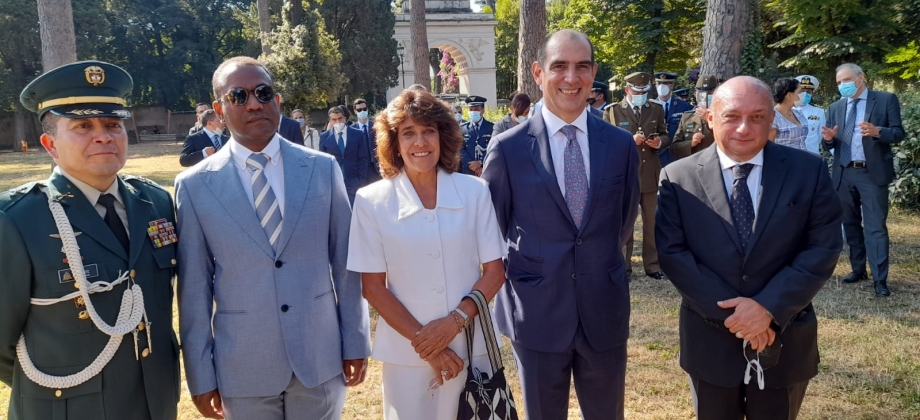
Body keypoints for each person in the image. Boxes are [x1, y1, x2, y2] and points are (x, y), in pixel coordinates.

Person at [175, 56, 371, 420]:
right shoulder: (194, 186)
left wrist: (355, 341)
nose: (254, 103)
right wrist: (200, 375)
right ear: (219, 108)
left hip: (319, 357)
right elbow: (194, 289)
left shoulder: (322, 169)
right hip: (243, 367)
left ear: (276, 101)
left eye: (263, 93)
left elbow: (346, 264)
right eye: (239, 96)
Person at [1, 60, 180, 420]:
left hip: (154, 402)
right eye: (83, 126)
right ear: (50, 144)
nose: (103, 136)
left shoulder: (156, 202)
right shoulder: (17, 219)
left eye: (113, 124)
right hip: (69, 406)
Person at [656, 76, 843, 420]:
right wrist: (740, 317)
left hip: (783, 339)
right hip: (710, 342)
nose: (744, 128)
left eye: (757, 117)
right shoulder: (677, 178)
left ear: (772, 119)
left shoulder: (808, 171)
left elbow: (823, 246)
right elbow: (673, 254)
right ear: (710, 118)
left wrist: (767, 309)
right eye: (732, 116)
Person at [482, 29, 640, 420]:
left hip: (603, 309)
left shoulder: (620, 146)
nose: (572, 78)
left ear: (593, 73)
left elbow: (623, 220)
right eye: (560, 67)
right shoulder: (508, 148)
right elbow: (492, 231)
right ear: (538, 72)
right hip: (536, 313)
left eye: (581, 67)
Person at [347, 88, 507, 419]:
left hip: (470, 348)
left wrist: (454, 322)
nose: (420, 142)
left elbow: (495, 271)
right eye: (409, 133)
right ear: (394, 142)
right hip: (407, 354)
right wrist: (427, 345)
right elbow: (373, 286)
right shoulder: (371, 200)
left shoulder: (474, 192)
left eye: (428, 131)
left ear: (443, 136)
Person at [821, 63, 905, 296]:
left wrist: (879, 132)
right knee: (850, 225)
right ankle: (858, 270)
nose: (842, 86)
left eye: (846, 80)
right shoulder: (835, 107)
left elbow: (899, 132)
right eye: (839, 82)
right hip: (844, 173)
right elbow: (830, 143)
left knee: (875, 227)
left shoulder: (886, 99)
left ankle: (880, 279)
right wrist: (828, 140)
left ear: (861, 78)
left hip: (872, 173)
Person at [604, 71, 669, 280]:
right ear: (626, 90)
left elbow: (665, 133)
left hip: (650, 174)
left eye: (644, 91)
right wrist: (628, 140)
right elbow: (604, 142)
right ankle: (624, 266)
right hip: (625, 177)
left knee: (652, 223)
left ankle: (652, 266)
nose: (640, 94)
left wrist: (659, 143)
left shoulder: (655, 109)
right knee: (626, 224)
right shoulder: (613, 112)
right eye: (636, 91)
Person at [320, 106, 370, 204]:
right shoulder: (324, 137)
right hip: (335, 183)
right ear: (330, 121)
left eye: (340, 118)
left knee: (356, 213)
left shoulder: (357, 134)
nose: (338, 122)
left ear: (344, 118)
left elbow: (363, 158)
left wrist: (361, 179)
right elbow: (323, 161)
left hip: (354, 181)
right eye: (334, 119)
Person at [670, 75, 720, 160]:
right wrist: (691, 143)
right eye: (702, 94)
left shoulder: (722, 117)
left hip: (715, 164)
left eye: (710, 94)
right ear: (696, 95)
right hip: (692, 167)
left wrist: (709, 119)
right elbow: (674, 148)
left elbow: (728, 142)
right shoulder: (687, 117)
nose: (705, 97)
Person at [653, 72, 694, 167]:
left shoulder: (684, 106)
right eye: (659, 83)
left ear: (672, 85)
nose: (661, 87)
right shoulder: (650, 107)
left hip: (678, 156)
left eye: (665, 83)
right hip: (657, 156)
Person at [769, 78, 808, 151]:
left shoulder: (798, 113)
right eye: (800, 92)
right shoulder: (773, 117)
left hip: (803, 159)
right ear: (789, 95)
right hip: (783, 160)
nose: (804, 94)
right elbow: (768, 147)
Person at [460, 95, 493, 176]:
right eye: (471, 110)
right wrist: (473, 166)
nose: (473, 112)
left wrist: (480, 163)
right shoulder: (462, 129)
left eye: (476, 109)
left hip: (486, 170)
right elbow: (459, 149)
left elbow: (494, 148)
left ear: (483, 110)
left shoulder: (492, 128)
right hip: (468, 171)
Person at [794, 75, 827, 155]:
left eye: (808, 92)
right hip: (791, 157)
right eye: (801, 91)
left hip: (812, 156)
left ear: (812, 93)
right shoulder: (787, 110)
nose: (805, 94)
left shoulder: (819, 112)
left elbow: (820, 136)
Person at [353, 98, 381, 183]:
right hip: (360, 170)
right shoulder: (352, 130)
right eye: (359, 110)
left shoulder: (377, 127)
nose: (362, 112)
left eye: (364, 109)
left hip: (376, 168)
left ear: (367, 109)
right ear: (355, 111)